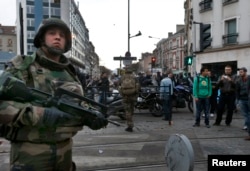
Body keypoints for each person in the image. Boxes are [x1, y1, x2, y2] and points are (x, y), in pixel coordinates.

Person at [0, 18, 108, 171]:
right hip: (30, 153)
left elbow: (77, 104)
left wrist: (91, 116)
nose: (58, 37)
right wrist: (40, 114)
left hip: (64, 152)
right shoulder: (22, 67)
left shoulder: (70, 73)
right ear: (41, 38)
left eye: (62, 36)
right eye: (52, 33)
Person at [119, 68, 139, 132]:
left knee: (127, 111)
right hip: (133, 96)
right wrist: (136, 94)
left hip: (125, 96)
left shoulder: (122, 78)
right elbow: (138, 86)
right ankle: (131, 121)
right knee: (132, 109)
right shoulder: (135, 77)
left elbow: (119, 87)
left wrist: (122, 94)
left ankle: (130, 126)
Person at [235, 67, 250, 131]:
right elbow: (237, 90)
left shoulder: (249, 78)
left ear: (245, 72)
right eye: (239, 72)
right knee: (245, 114)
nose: (240, 73)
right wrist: (237, 99)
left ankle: (247, 125)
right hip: (242, 99)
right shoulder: (238, 80)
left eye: (241, 72)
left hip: (249, 98)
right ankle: (247, 125)